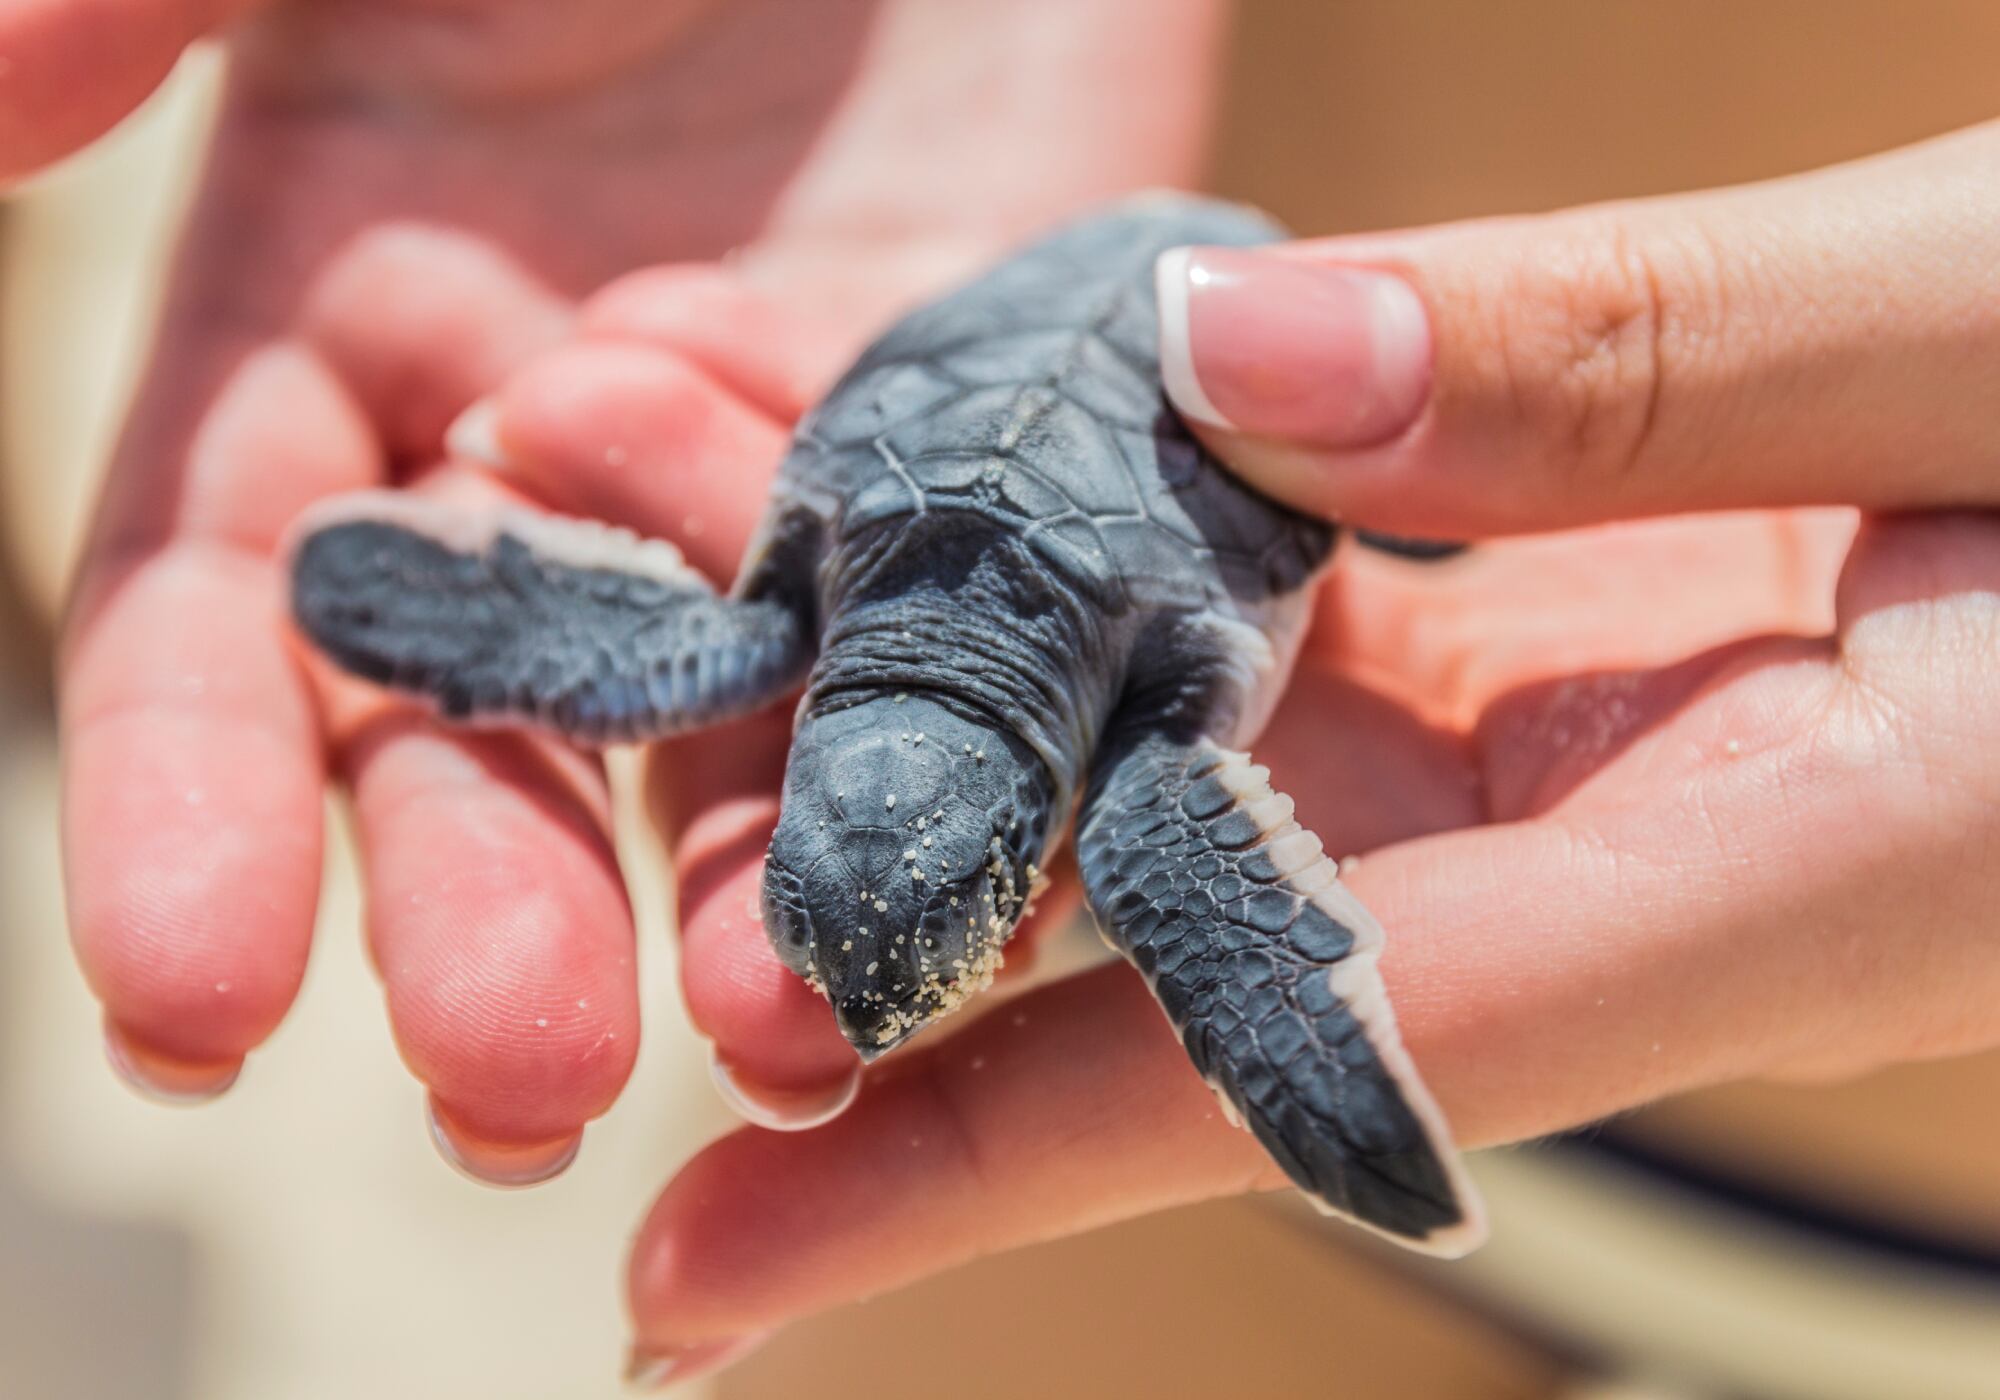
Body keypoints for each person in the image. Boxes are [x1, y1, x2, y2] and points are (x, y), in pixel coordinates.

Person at [19, 0, 2000, 1386]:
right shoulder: (828, 627)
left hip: (1916, 1217)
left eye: (955, 911)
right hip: (1183, 1221)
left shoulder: (1124, 760)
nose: (895, 981)